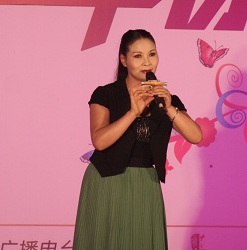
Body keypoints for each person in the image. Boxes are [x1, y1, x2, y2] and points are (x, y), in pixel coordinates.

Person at [73, 29, 203, 250]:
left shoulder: (166, 99)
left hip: (145, 182)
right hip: (107, 181)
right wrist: (133, 112)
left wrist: (169, 108)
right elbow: (100, 141)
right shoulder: (106, 94)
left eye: (152, 54)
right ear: (124, 60)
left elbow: (196, 136)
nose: (147, 62)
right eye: (137, 56)